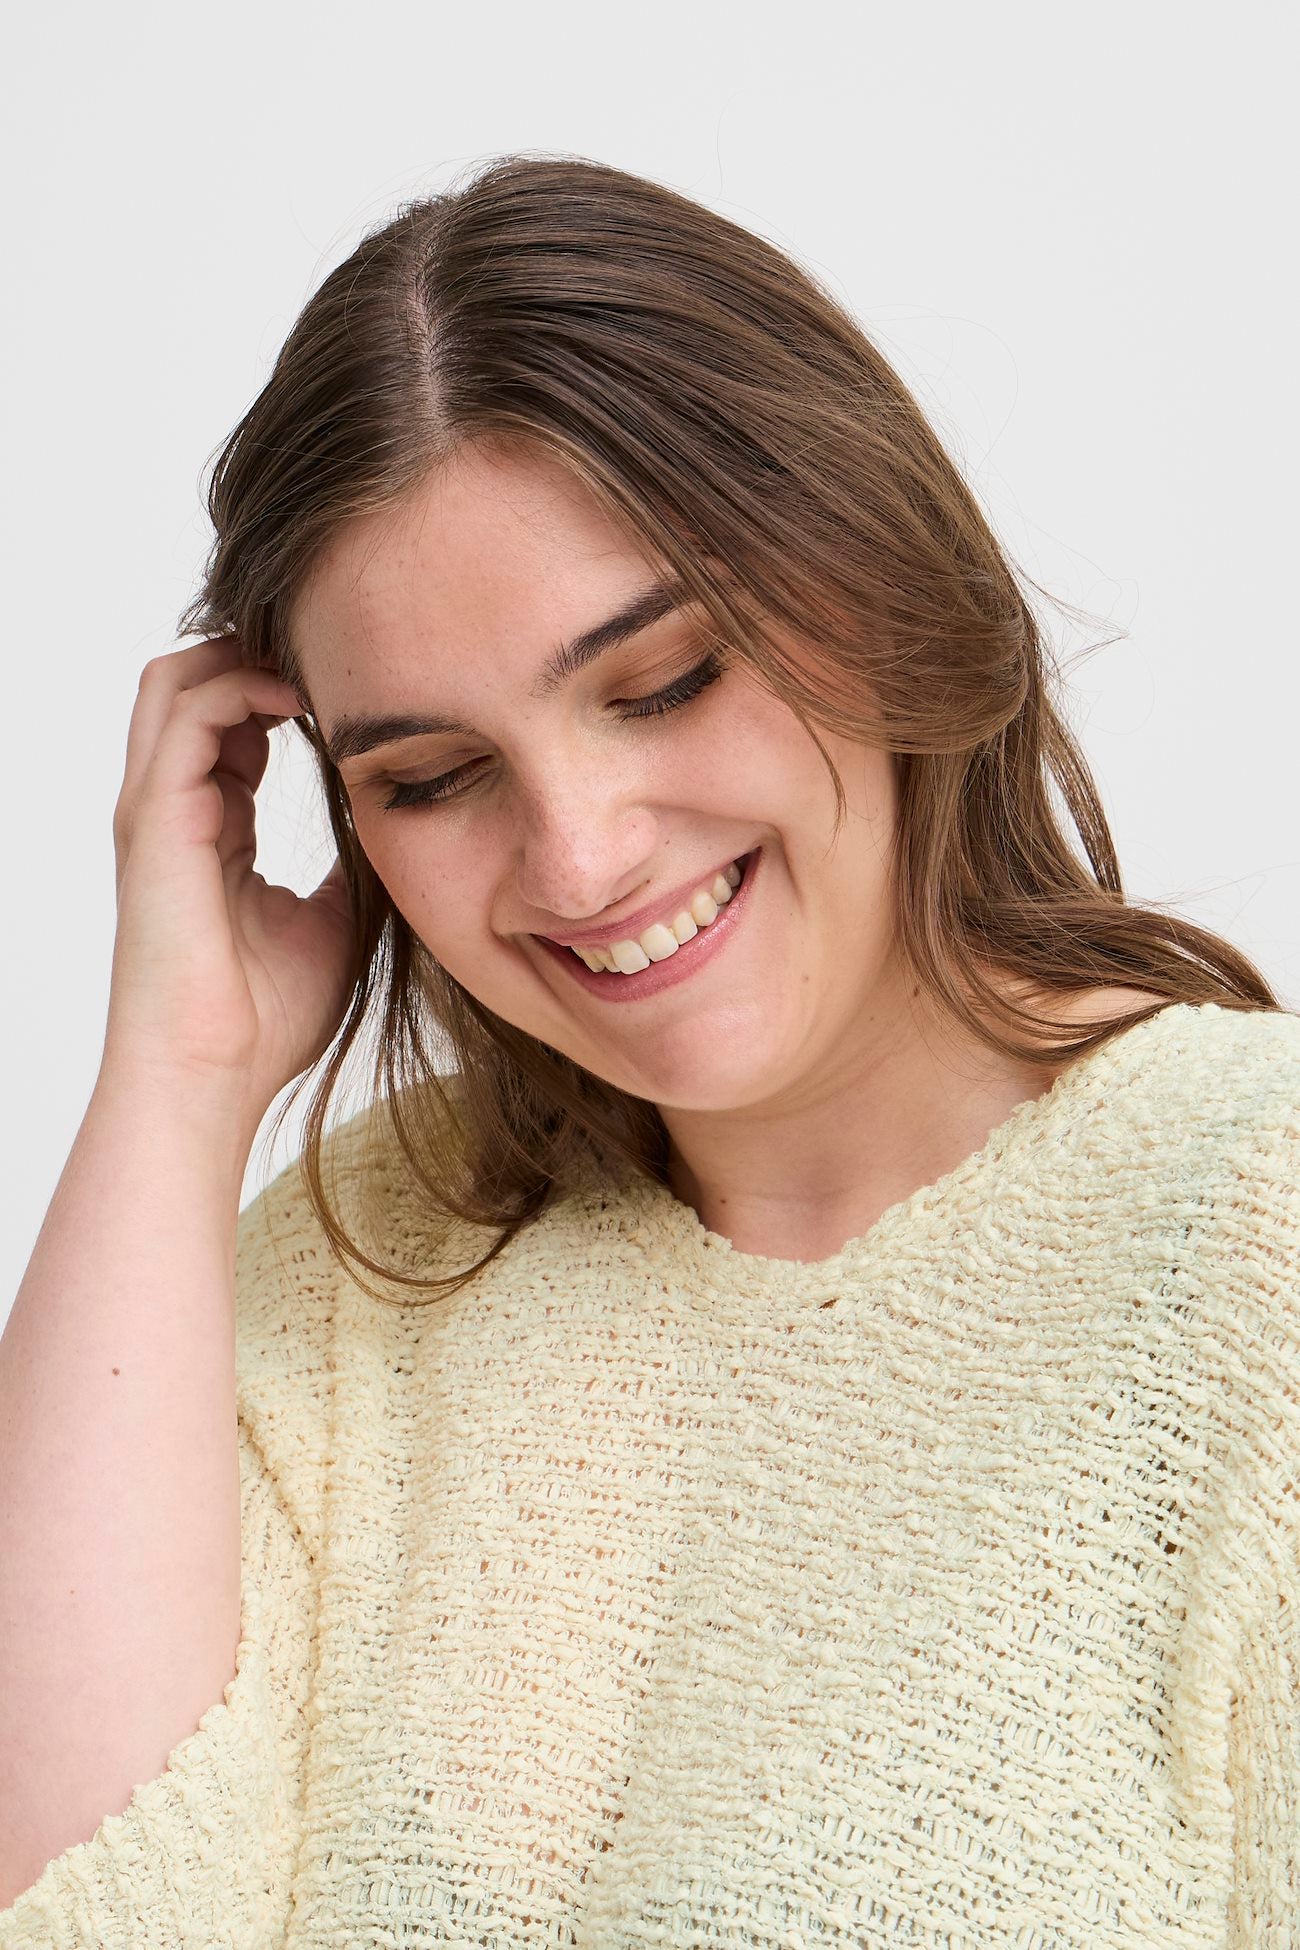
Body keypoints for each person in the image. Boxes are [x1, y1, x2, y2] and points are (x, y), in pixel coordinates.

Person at [2, 152, 1296, 1948]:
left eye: (665, 680)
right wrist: (176, 1070)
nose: (581, 858)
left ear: (870, 574)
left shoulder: (1255, 1239)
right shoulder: (364, 1265)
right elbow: (80, 1909)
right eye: (432, 777)